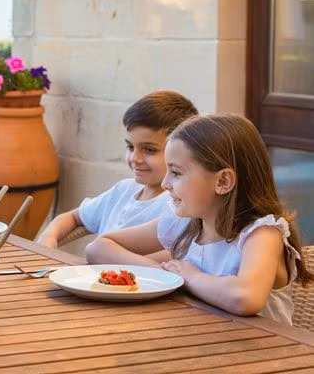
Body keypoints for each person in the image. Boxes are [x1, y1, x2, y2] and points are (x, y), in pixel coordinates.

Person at [86, 114, 312, 324]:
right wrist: (165, 275)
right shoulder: (185, 224)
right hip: (199, 341)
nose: (165, 184)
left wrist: (190, 277)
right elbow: (98, 248)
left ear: (223, 181)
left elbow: (246, 297)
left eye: (176, 173)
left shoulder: (261, 235)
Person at [37, 90, 198, 249]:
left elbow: (168, 260)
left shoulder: (177, 205)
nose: (135, 158)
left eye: (150, 150)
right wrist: (48, 238)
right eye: (130, 146)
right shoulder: (123, 190)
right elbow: (73, 217)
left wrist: (100, 251)